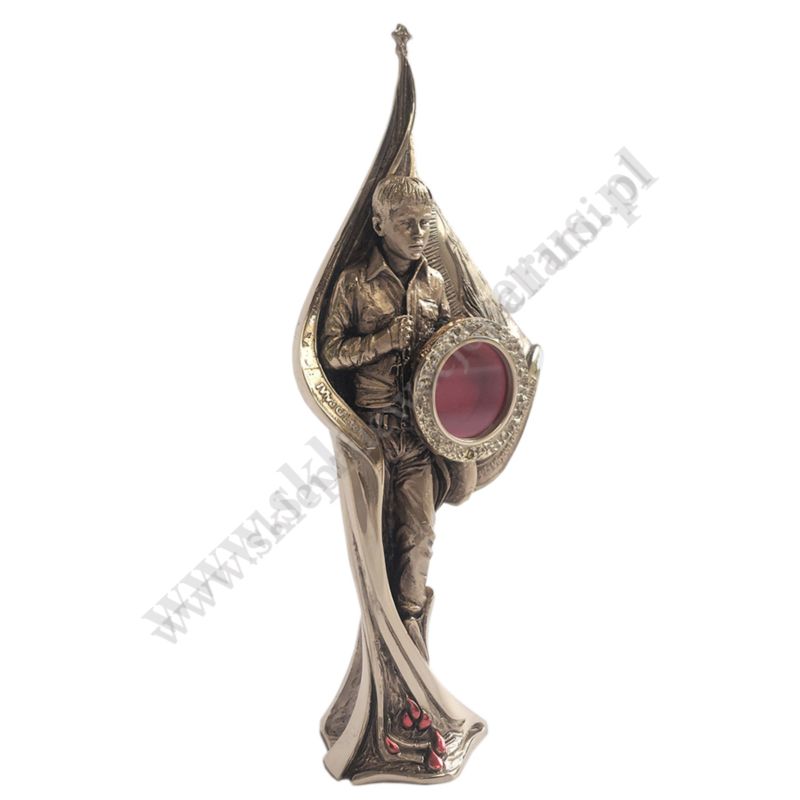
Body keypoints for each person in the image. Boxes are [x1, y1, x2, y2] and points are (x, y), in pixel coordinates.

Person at [320, 175, 450, 658]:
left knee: (420, 537)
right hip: (369, 435)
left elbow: (452, 354)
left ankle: (411, 644)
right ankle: (383, 652)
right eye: (406, 223)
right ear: (379, 225)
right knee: (374, 548)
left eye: (425, 223)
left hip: (418, 435)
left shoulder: (435, 283)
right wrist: (383, 341)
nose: (418, 233)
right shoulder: (354, 283)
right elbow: (329, 353)